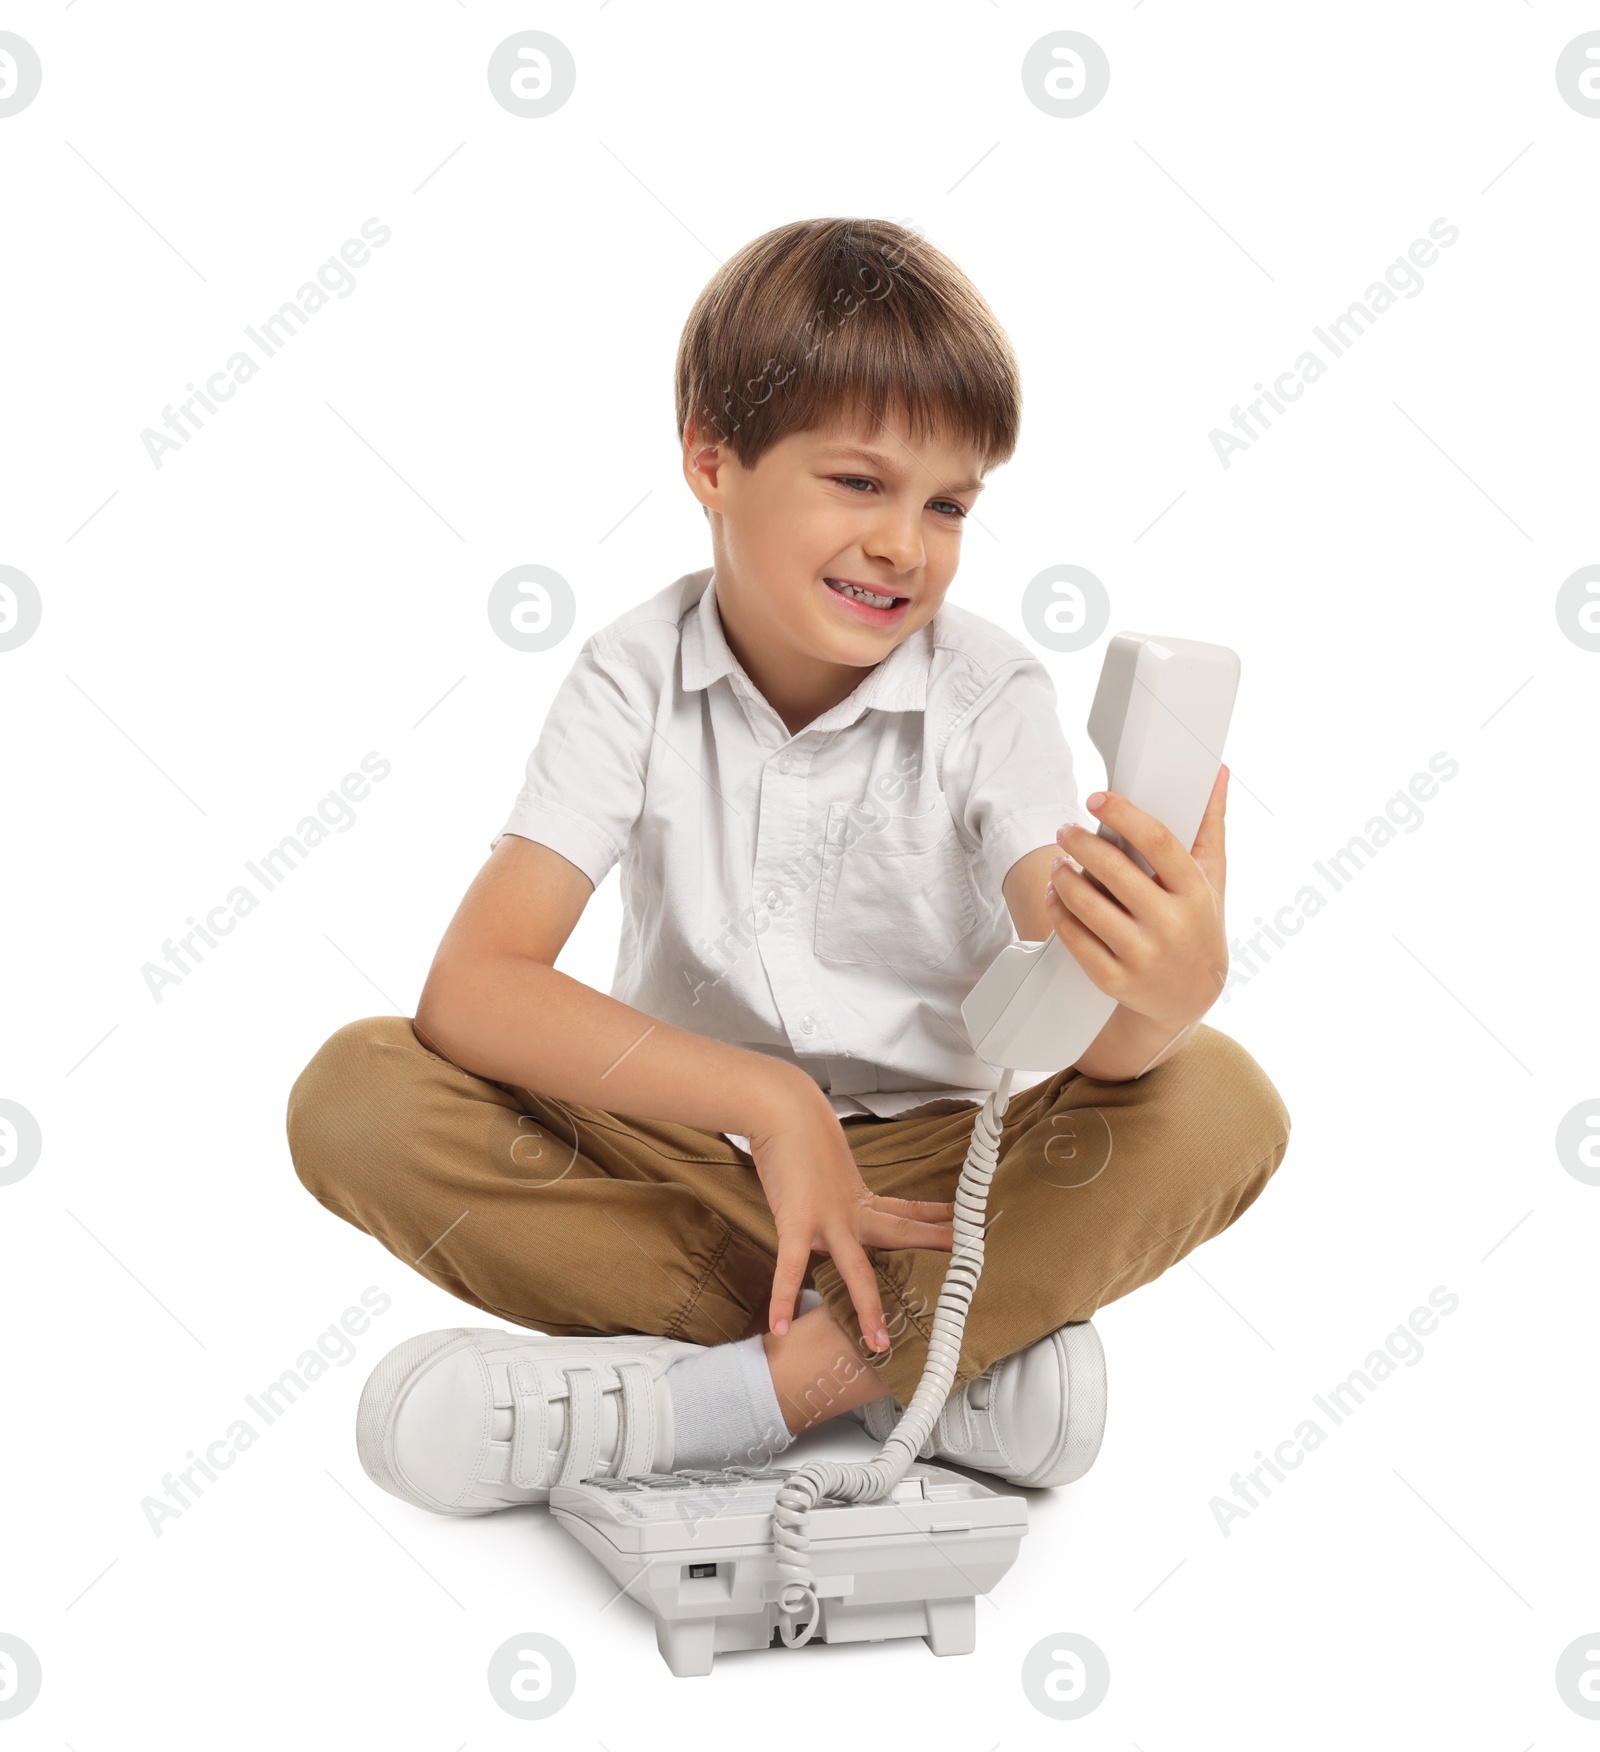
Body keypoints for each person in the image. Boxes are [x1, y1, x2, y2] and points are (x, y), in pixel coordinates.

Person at [285, 217, 1291, 1518]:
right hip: (695, 1157)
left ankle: (743, 1394)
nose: (904, 546)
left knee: (1216, 1095)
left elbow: (1080, 1022)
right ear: (714, 461)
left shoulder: (989, 694)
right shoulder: (632, 677)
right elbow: (473, 992)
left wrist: (1159, 984)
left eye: (948, 505)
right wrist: (772, 1105)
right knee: (358, 1091)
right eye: (860, 484)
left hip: (937, 1173)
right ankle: (950, 1357)